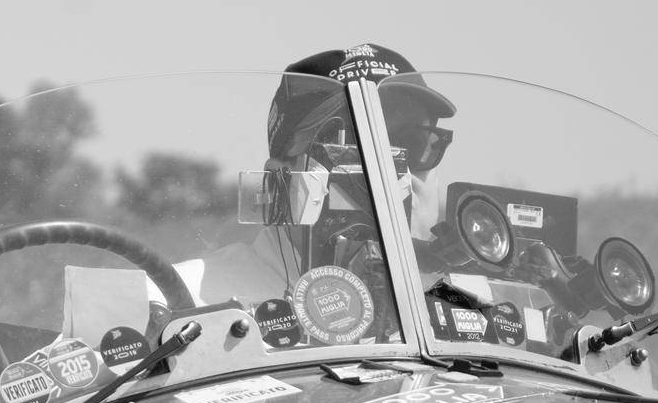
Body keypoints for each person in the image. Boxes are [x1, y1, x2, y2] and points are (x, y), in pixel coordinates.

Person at [176, 42, 456, 312]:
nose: (393, 173)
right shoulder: (186, 303)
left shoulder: (480, 316)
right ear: (279, 179)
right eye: (348, 149)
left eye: (414, 144)